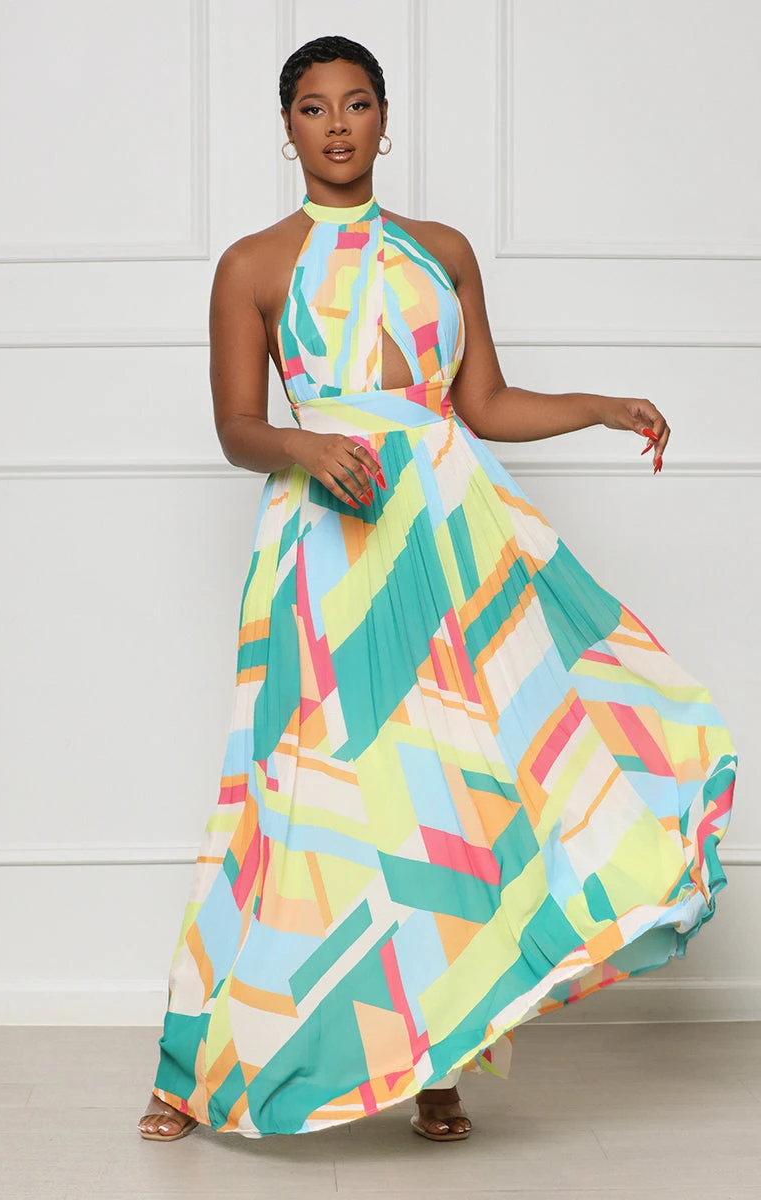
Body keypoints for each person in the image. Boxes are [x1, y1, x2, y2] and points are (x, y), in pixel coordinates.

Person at [137, 34, 737, 1144]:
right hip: (327, 546)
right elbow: (235, 426)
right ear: (286, 131)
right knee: (297, 793)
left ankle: (437, 1065)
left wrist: (599, 406)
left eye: (356, 103)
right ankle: (193, 1069)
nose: (336, 123)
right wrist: (304, 446)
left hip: (451, 537)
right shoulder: (253, 264)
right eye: (312, 107)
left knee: (452, 797)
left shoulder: (443, 251)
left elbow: (483, 405)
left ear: (384, 118)